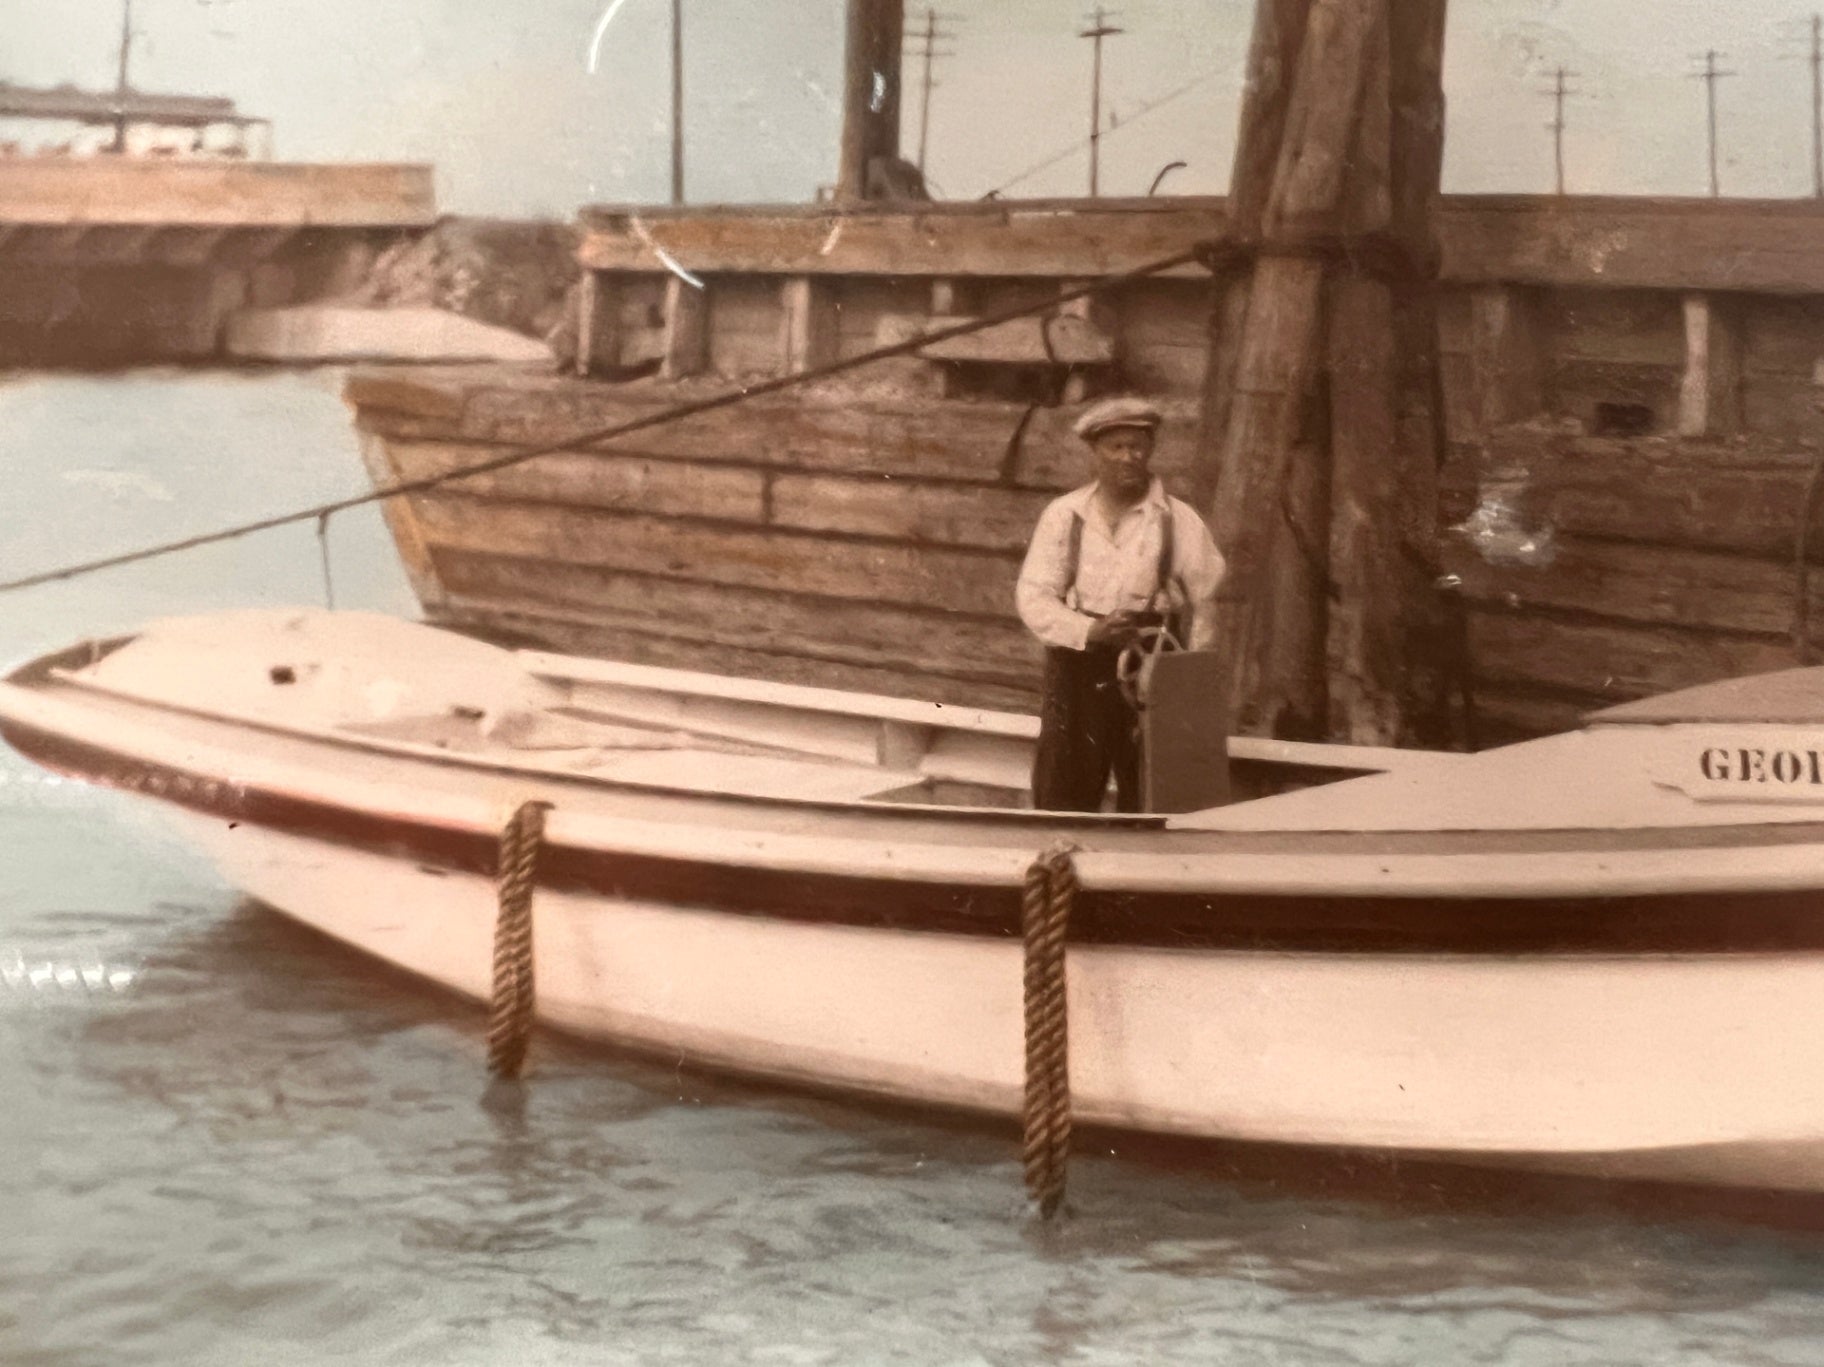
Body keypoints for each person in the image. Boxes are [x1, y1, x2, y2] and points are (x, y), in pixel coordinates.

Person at [1015, 396, 1226, 813]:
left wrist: (1183, 678)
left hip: (1151, 664)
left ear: (1150, 450)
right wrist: (1088, 630)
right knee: (1064, 790)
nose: (1128, 457)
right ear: (1095, 452)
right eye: (1116, 447)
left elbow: (1208, 602)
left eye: (1137, 446)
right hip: (1077, 665)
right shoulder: (1065, 515)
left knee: (1153, 793)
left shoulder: (1176, 519)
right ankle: (1064, 850)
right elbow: (1033, 596)